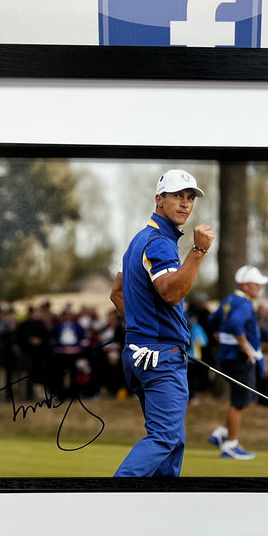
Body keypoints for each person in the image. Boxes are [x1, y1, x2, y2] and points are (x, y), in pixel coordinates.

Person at [109, 170, 214, 477]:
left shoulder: (137, 241)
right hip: (160, 358)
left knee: (174, 442)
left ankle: (161, 511)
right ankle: (110, 500)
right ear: (159, 199)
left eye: (190, 197)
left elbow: (117, 294)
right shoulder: (159, 243)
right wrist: (198, 251)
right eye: (178, 196)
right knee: (164, 438)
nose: (185, 204)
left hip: (143, 353)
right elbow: (170, 292)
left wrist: (145, 331)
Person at [207, 265, 268, 460]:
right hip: (240, 359)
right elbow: (235, 324)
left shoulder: (230, 300)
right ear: (246, 284)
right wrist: (246, 348)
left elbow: (212, 320)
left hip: (228, 358)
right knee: (240, 402)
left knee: (241, 400)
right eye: (256, 284)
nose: (259, 287)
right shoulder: (243, 303)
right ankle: (231, 445)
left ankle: (223, 434)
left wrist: (219, 333)